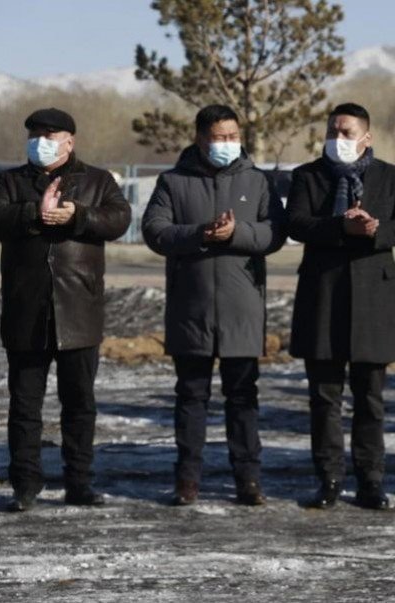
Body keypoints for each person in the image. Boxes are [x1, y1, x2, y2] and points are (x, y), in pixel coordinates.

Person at [0, 107, 130, 512]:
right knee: (25, 405)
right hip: (26, 311)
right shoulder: (8, 181)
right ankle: (25, 485)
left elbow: (119, 218)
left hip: (79, 309)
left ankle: (79, 482)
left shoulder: (97, 180)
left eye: (49, 135)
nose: (40, 142)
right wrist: (34, 212)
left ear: (69, 141)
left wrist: (77, 215)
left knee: (79, 404)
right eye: (34, 135)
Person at [142, 104, 286, 507]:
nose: (227, 144)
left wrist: (236, 233)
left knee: (243, 398)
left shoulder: (258, 181)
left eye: (232, 136)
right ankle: (187, 479)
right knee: (191, 397)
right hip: (191, 309)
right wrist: (201, 233)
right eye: (219, 137)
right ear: (200, 138)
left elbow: (275, 233)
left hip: (243, 308)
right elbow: (155, 230)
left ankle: (248, 480)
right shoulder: (173, 181)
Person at [288, 102, 395, 511]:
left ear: (366, 137)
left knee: (370, 397)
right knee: (324, 397)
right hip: (323, 294)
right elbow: (297, 223)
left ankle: (371, 481)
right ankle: (329, 479)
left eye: (346, 132)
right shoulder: (308, 175)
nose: (338, 139)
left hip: (373, 297)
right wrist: (340, 226)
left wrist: (374, 230)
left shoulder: (389, 176)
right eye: (332, 131)